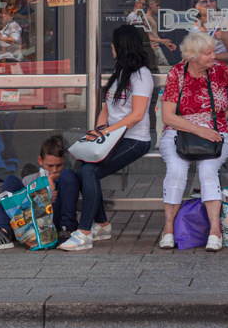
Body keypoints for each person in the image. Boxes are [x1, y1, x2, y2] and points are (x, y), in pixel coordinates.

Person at [59, 24, 157, 252]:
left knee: (89, 171)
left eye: (114, 43)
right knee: (81, 167)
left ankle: (84, 233)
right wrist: (99, 129)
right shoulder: (119, 73)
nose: (111, 47)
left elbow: (137, 115)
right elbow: (107, 108)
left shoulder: (141, 75)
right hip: (113, 137)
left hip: (135, 140)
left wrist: (108, 131)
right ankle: (101, 224)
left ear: (122, 46)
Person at [157, 30, 228, 252]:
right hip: (179, 131)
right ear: (192, 55)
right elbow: (168, 116)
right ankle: (168, 229)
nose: (213, 57)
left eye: (213, 51)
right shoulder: (177, 73)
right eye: (207, 53)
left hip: (218, 132)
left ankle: (215, 231)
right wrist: (200, 131)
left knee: (208, 171)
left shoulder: (220, 70)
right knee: (176, 170)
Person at [0, 134, 80, 251]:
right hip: (31, 225)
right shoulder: (30, 180)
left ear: (64, 159)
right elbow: (24, 209)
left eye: (58, 165)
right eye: (50, 166)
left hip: (57, 223)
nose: (54, 170)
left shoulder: (66, 180)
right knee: (11, 180)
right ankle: (3, 231)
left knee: (69, 174)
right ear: (40, 160)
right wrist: (44, 194)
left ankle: (66, 231)